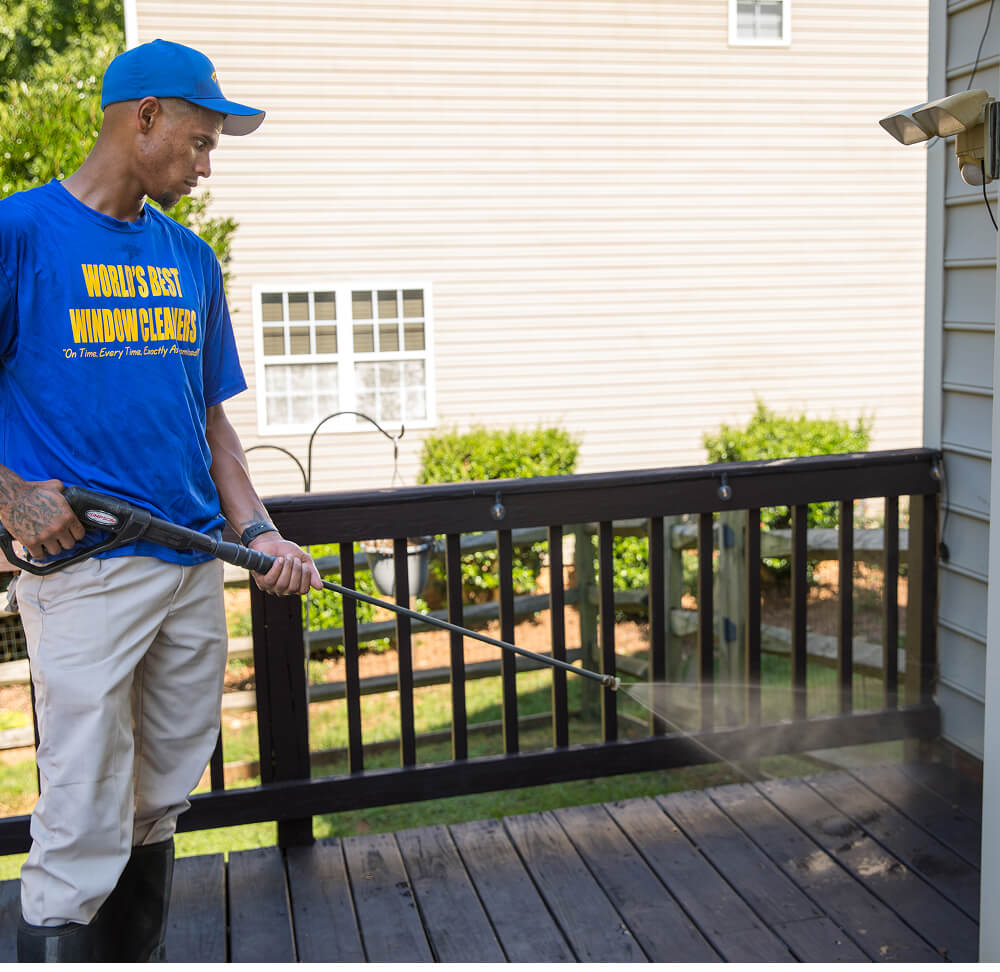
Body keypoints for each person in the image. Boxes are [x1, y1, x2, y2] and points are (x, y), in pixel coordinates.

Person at [0, 39, 322, 961]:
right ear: (144, 117)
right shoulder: (20, 234)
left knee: (159, 796)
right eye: (201, 140)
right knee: (82, 808)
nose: (207, 164)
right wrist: (12, 496)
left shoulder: (191, 259)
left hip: (191, 567)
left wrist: (261, 531)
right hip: (85, 572)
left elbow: (211, 423)